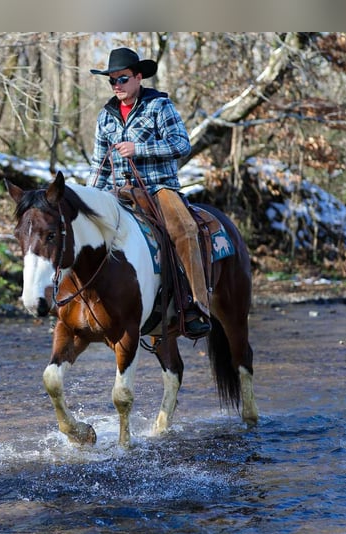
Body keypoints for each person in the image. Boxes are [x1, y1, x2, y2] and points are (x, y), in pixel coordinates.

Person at [88, 47, 211, 336]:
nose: (117, 85)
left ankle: (196, 305)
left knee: (184, 229)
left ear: (138, 77)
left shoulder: (159, 106)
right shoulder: (105, 117)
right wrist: (90, 199)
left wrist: (139, 149)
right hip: (118, 191)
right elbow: (98, 166)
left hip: (159, 188)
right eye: (112, 81)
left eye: (123, 79)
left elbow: (182, 145)